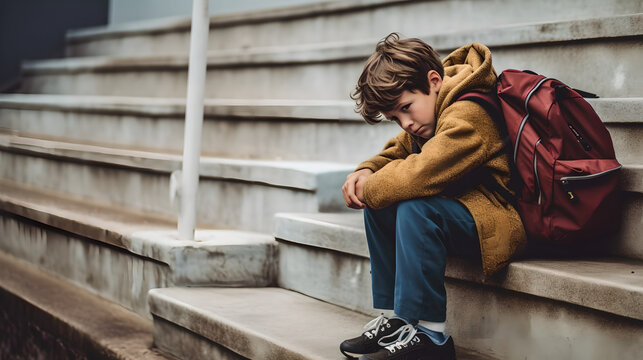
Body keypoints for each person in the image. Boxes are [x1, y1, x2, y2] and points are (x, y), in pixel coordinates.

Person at [339, 33, 527, 359]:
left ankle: (431, 338)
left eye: (406, 109)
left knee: (416, 208)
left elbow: (423, 171)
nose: (406, 123)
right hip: (463, 210)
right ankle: (400, 320)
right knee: (380, 205)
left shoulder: (469, 113)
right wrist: (366, 171)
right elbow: (396, 152)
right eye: (396, 118)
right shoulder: (431, 110)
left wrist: (371, 186)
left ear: (434, 80)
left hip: (497, 219)